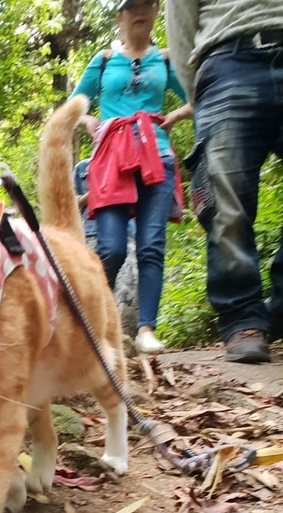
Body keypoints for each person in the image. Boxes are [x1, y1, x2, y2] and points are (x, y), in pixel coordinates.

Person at [71, 0, 192, 355]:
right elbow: (77, 100)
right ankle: (91, 324)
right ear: (119, 16)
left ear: (157, 12)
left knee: (151, 246)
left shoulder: (166, 60)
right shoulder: (105, 60)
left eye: (147, 4)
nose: (140, 9)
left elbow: (198, 96)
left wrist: (176, 116)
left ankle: (145, 330)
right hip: (110, 159)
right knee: (109, 247)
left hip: (157, 157)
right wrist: (87, 120)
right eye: (131, 5)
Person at [165, 1, 283, 364]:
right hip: (228, 55)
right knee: (226, 201)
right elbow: (180, 23)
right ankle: (242, 319)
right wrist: (198, 93)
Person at [74, 158, 139, 337]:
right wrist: (98, 189)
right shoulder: (82, 167)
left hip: (128, 234)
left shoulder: (131, 157)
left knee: (127, 295)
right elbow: (73, 204)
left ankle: (125, 345)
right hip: (90, 234)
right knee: (95, 292)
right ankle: (94, 341)